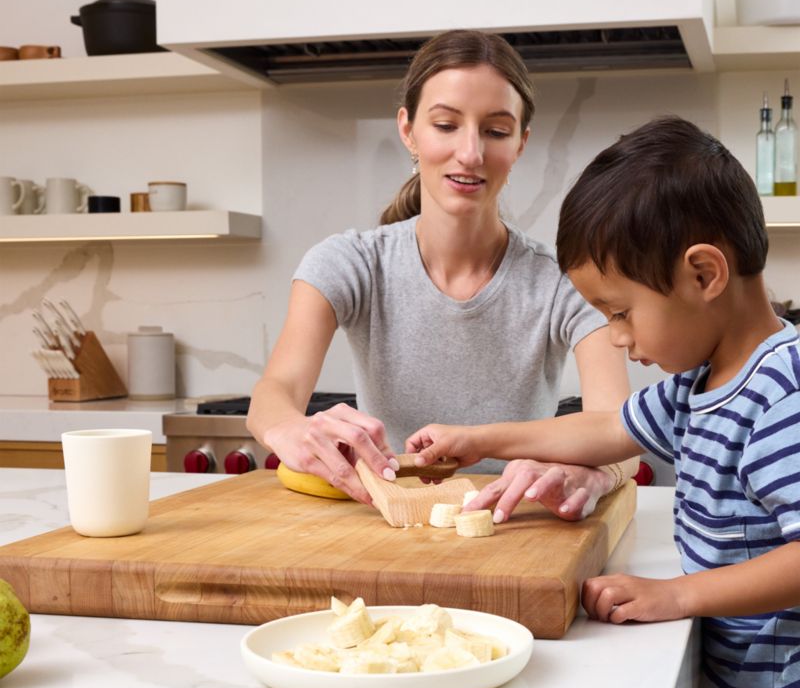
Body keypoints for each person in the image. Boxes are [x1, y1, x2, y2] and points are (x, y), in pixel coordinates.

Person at [406, 115, 800, 688]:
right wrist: (480, 439)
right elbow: (605, 428)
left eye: (622, 313)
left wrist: (677, 595)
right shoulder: (700, 383)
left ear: (704, 275)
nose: (617, 336)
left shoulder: (782, 395)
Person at [247, 29, 635, 514]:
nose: (470, 153)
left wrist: (595, 473)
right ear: (408, 130)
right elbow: (275, 393)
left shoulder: (565, 282)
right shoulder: (349, 263)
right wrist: (289, 427)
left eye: (495, 131)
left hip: (517, 528)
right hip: (385, 528)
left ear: (520, 143)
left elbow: (619, 427)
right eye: (446, 125)